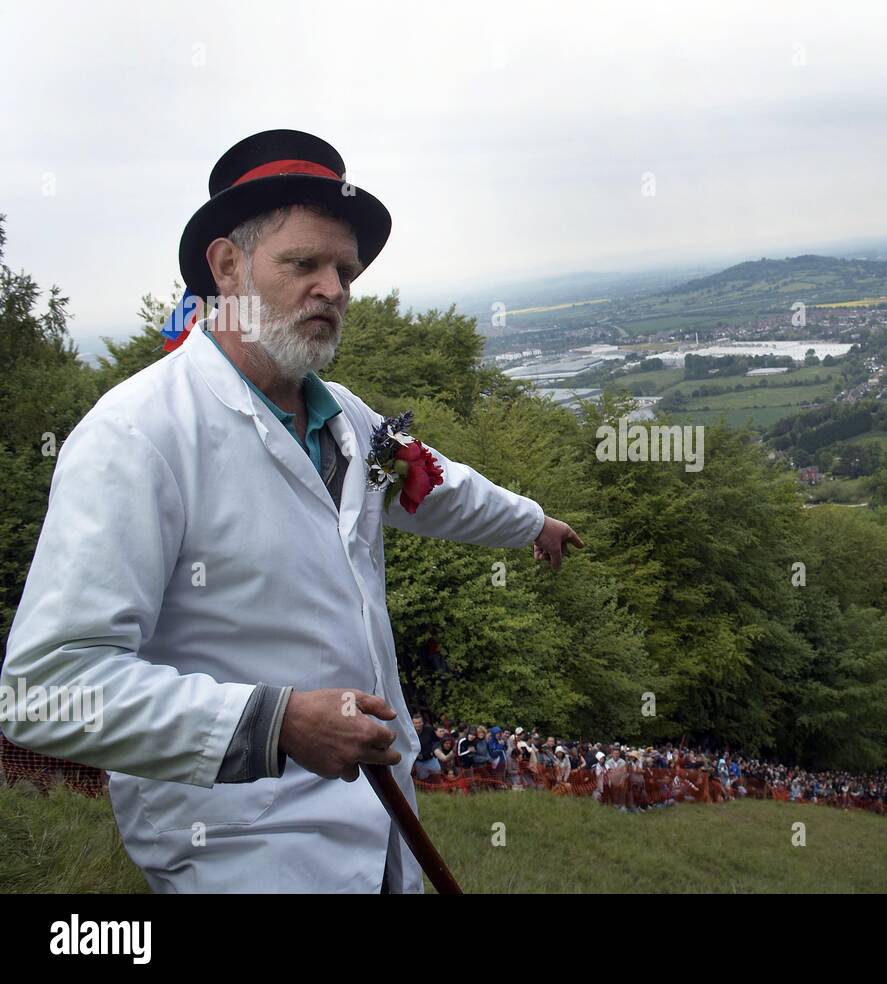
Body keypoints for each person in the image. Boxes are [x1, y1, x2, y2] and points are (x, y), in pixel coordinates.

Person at [0, 130, 584, 894]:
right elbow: (44, 690)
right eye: (303, 264)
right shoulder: (137, 436)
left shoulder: (344, 417)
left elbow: (438, 486)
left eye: (345, 270)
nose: (333, 289)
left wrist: (529, 522)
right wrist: (275, 725)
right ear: (227, 266)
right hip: (243, 845)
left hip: (384, 821)